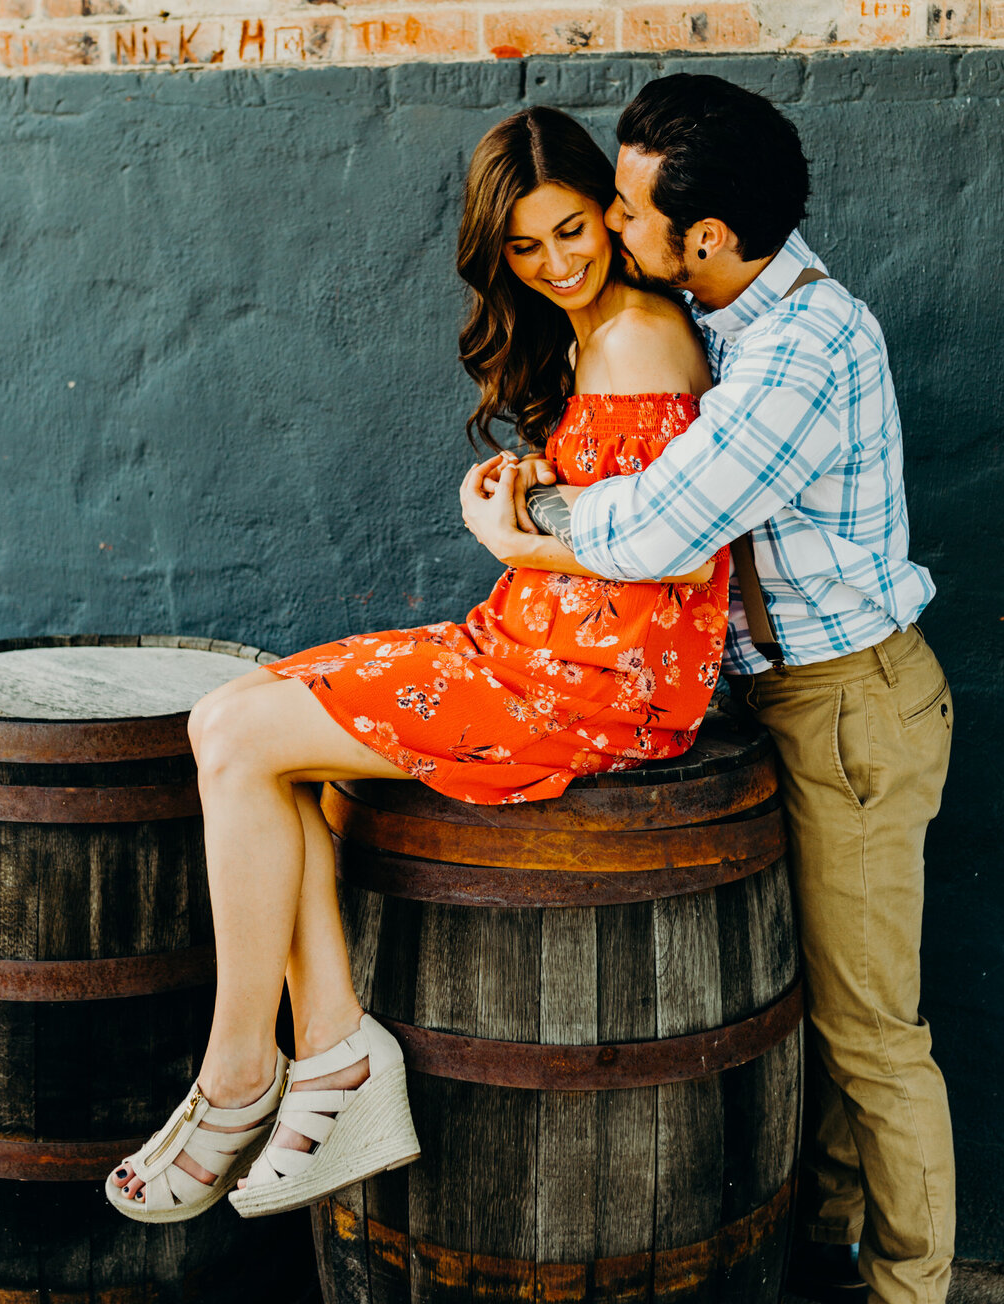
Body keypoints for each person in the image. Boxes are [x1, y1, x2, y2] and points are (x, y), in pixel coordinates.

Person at [106, 106, 728, 1226]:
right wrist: (534, 495)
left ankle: (243, 1074)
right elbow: (612, 509)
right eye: (526, 250)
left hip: (601, 684)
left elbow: (678, 563)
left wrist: (513, 534)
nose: (557, 266)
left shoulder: (638, 334)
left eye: (575, 232)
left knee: (240, 735)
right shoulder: (596, 332)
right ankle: (334, 1050)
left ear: (609, 212)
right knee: (240, 717)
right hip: (537, 641)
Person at [495, 73, 956, 1304]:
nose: (613, 222)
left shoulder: (801, 349)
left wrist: (532, 520)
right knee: (805, 1004)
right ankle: (822, 1251)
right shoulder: (722, 314)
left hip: (851, 712)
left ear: (703, 240)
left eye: (629, 209)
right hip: (777, 706)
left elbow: (660, 523)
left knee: (877, 1036)